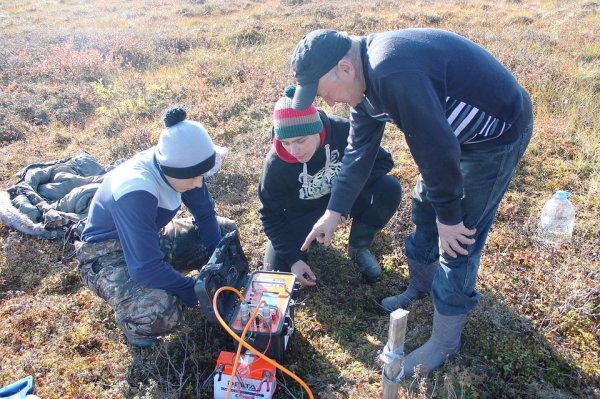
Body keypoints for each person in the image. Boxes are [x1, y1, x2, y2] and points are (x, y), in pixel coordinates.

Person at [289, 29, 533, 375]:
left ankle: (445, 342)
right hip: (450, 136)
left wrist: (449, 216)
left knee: (459, 238)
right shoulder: (365, 84)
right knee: (424, 206)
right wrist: (334, 211)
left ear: (344, 69)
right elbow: (359, 152)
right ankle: (422, 284)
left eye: (324, 93)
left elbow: (435, 146)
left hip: (494, 135)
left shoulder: (392, 71)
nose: (329, 104)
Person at [75, 107, 236, 347]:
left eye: (202, 174)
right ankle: (136, 327)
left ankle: (170, 273)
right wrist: (194, 292)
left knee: (225, 233)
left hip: (151, 238)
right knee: (162, 310)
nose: (199, 182)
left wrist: (220, 262)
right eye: (193, 177)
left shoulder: (183, 162)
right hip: (107, 255)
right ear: (171, 171)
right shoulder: (135, 191)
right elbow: (145, 269)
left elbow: (204, 214)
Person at [259, 85, 401, 286]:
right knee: (276, 276)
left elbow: (383, 161)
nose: (294, 150)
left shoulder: (343, 131)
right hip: (302, 214)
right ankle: (303, 248)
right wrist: (294, 259)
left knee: (389, 189)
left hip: (344, 202)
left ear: (316, 129)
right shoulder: (276, 164)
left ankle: (359, 246)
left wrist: (343, 198)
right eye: (286, 142)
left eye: (301, 141)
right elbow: (269, 215)